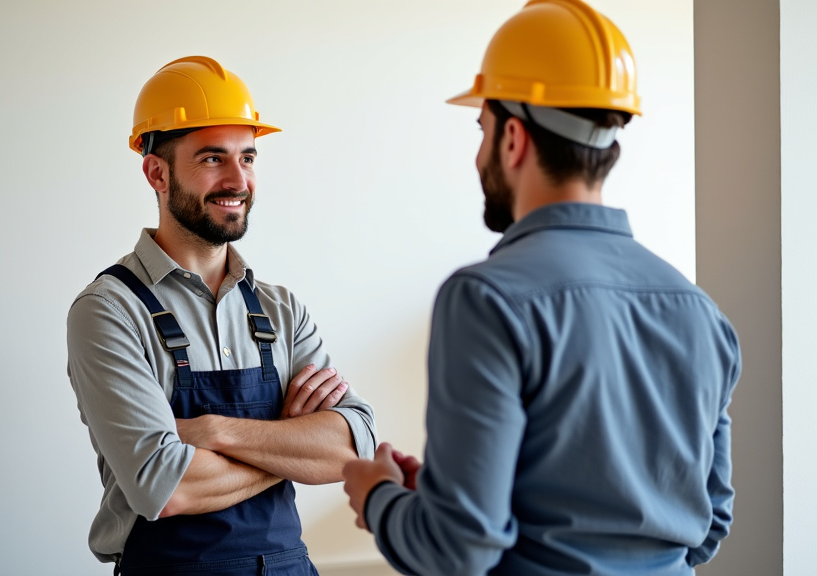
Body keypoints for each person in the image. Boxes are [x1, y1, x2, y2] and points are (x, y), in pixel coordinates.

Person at [341, 1, 740, 574]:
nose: (479, 154)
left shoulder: (485, 300)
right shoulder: (701, 313)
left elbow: (459, 549)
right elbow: (706, 527)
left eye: (481, 129)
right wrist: (456, 492)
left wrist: (376, 496)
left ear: (513, 138)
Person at [67, 55, 376, 576]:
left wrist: (210, 431)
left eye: (248, 157)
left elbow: (350, 449)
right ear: (156, 172)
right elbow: (165, 486)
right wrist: (287, 439)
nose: (239, 179)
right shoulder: (108, 312)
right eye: (213, 158)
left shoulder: (282, 309)